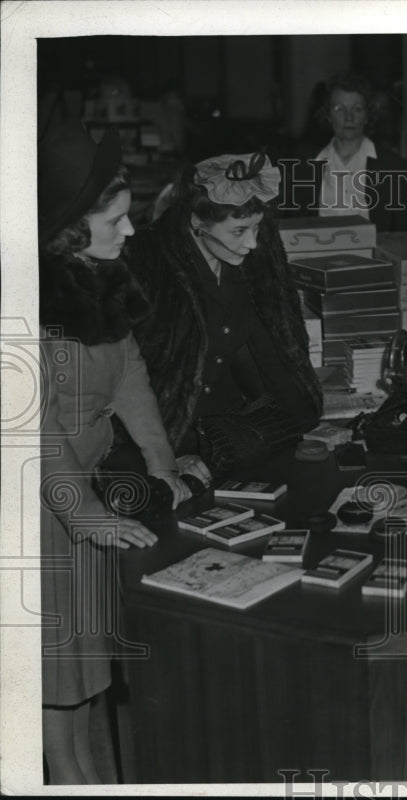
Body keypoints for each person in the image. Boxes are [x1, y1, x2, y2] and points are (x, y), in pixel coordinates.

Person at [37, 121, 191, 783]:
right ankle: (67, 776)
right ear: (70, 231)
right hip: (41, 505)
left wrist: (162, 462)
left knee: (84, 662)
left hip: (83, 495)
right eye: (116, 222)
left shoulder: (100, 277)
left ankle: (82, 773)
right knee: (51, 662)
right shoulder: (21, 304)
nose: (130, 232)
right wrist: (87, 513)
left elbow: (130, 373)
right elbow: (27, 428)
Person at [127, 150, 322, 478]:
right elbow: (129, 382)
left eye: (257, 228)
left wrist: (308, 417)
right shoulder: (148, 266)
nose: (253, 244)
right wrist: (163, 457)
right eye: (238, 231)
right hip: (168, 441)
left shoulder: (250, 265)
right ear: (197, 221)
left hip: (230, 434)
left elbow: (276, 345)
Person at [290, 71, 407, 231]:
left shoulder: (394, 166)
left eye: (357, 109)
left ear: (367, 115)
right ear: (328, 115)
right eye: (339, 109)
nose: (349, 117)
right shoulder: (304, 167)